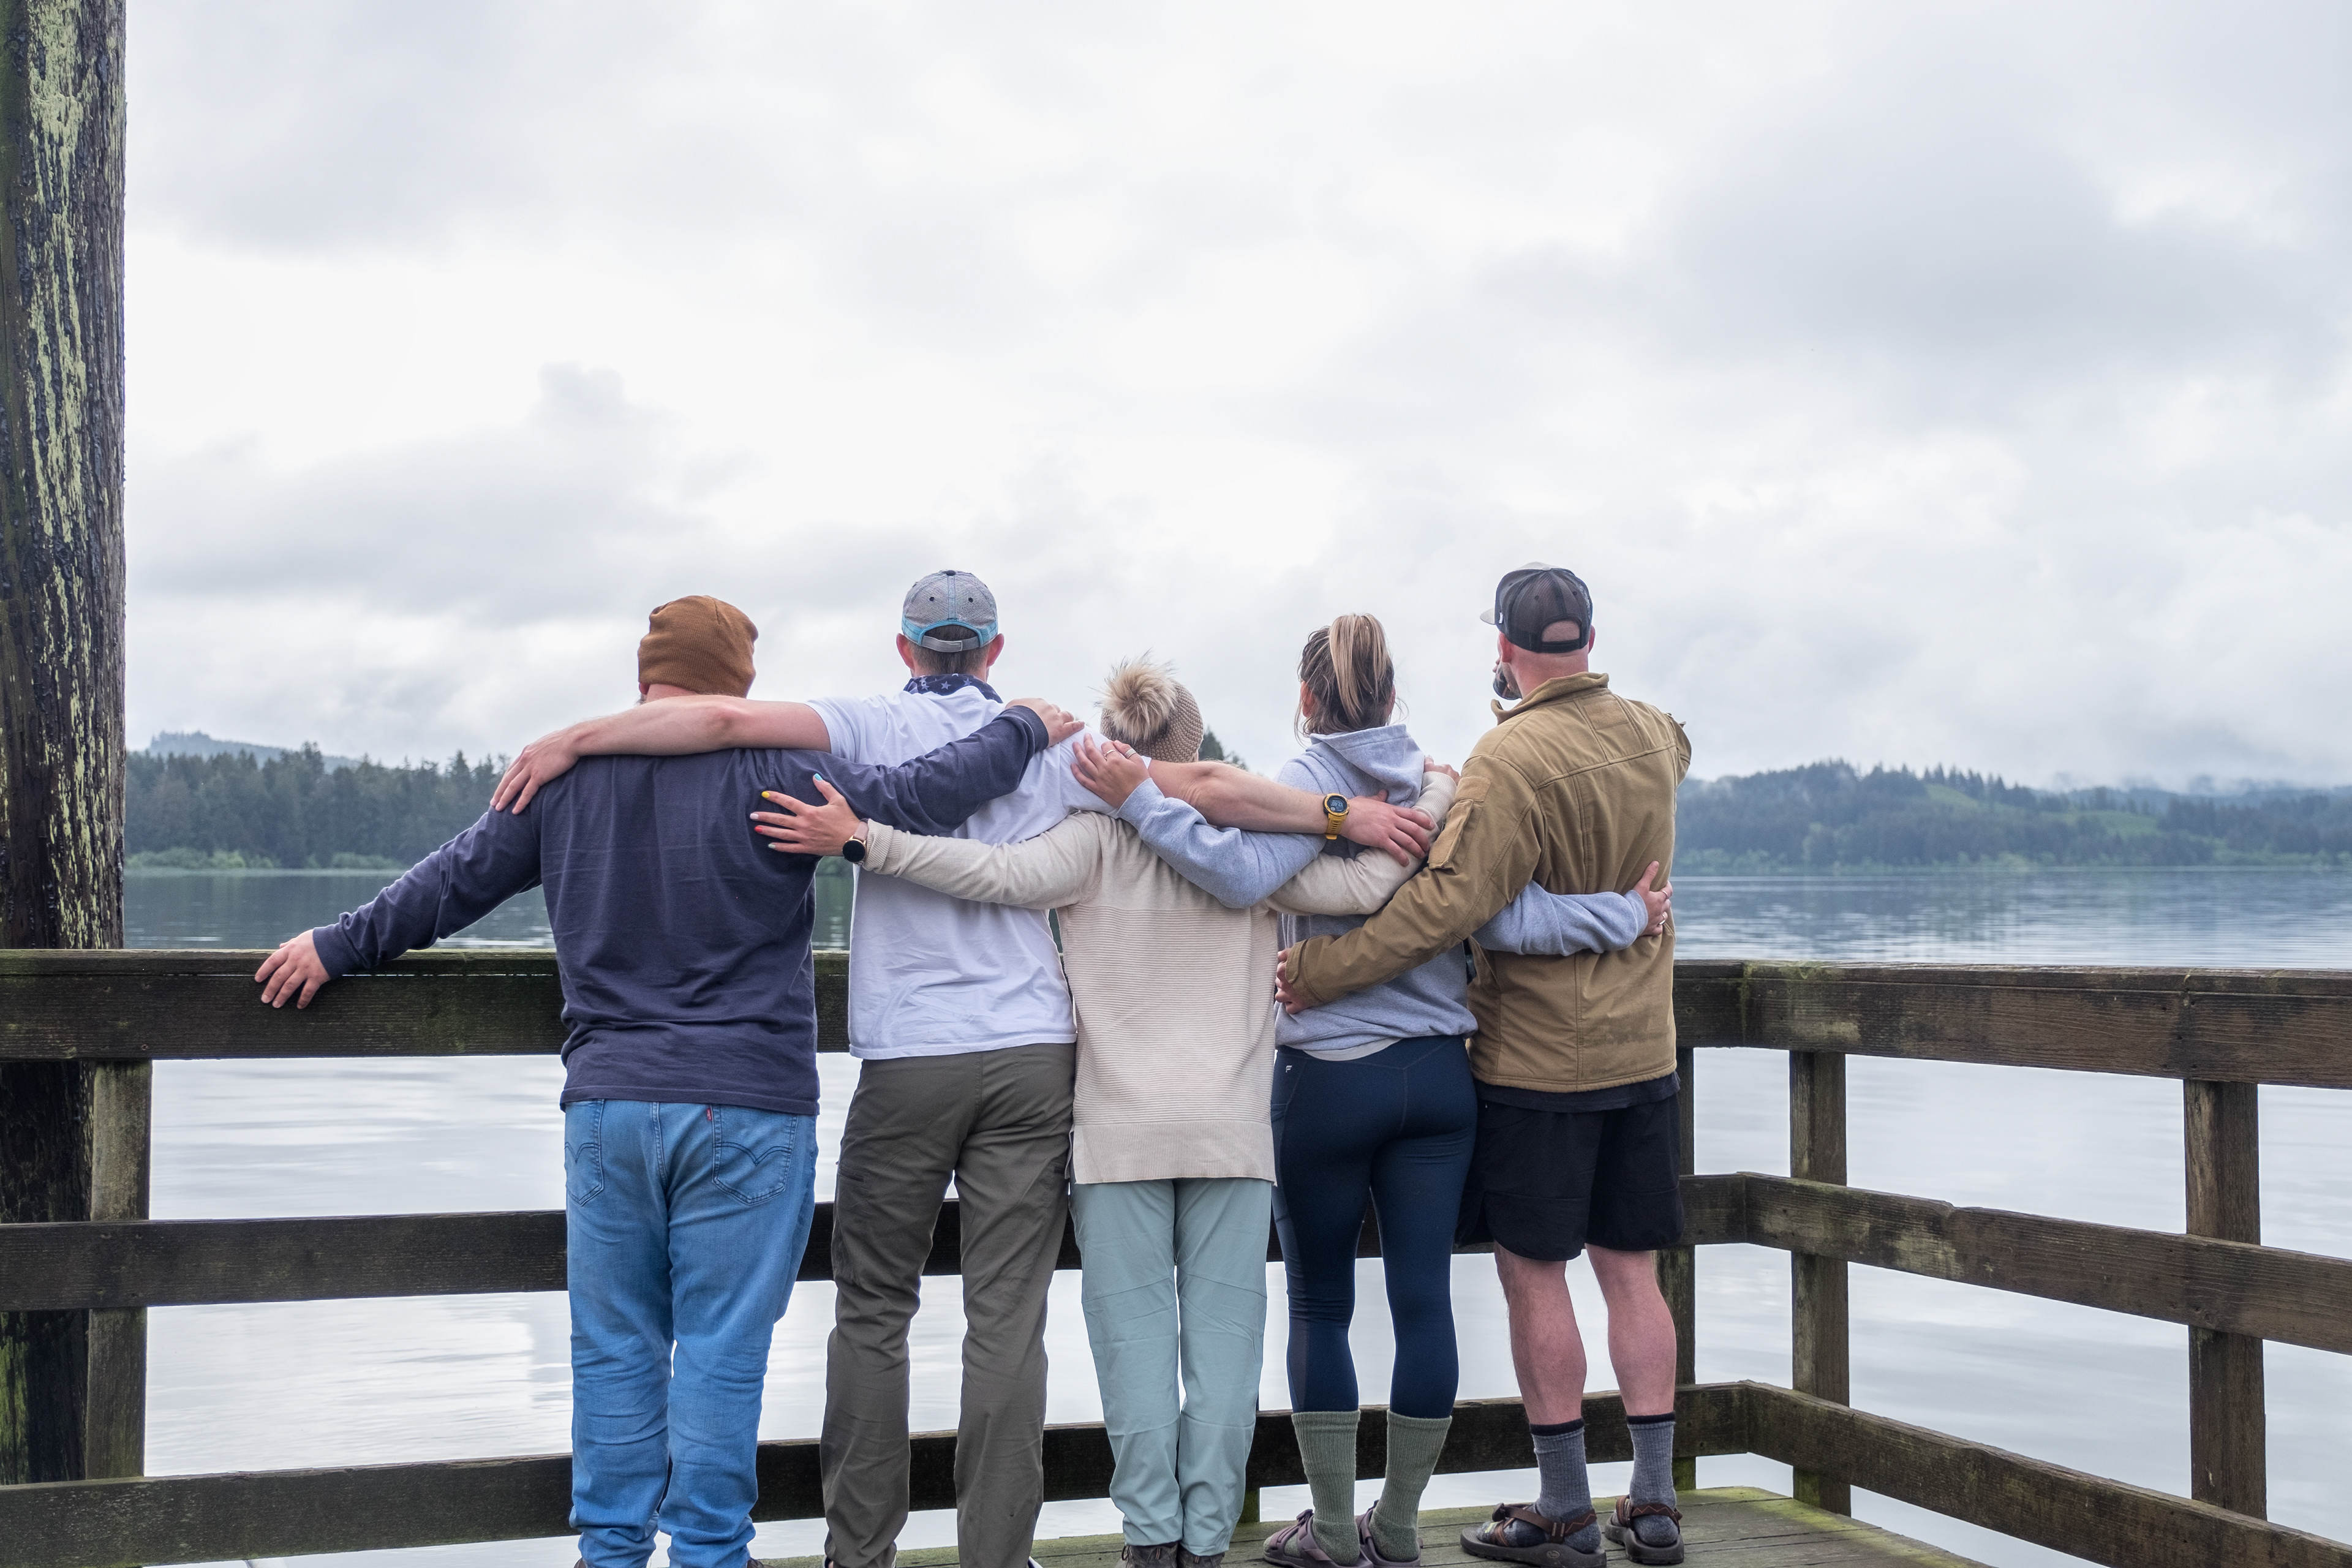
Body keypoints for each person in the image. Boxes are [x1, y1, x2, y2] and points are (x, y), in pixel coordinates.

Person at [486, 572, 1437, 1568]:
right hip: (1030, 1058)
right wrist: (1344, 816)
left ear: (905, 649)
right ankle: (999, 1555)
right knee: (1006, 1323)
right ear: (993, 651)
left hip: (906, 1057)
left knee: (872, 1314)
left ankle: (860, 1552)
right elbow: (1197, 785)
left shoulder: (857, 728)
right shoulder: (1061, 746)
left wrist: (574, 739)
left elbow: (719, 719)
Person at [756, 654, 1658, 1568]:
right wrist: (1431, 787)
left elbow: (982, 871)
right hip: (1233, 1131)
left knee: (1133, 1352)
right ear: (1190, 751)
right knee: (1225, 1356)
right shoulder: (1250, 858)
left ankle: (1150, 1541)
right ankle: (1208, 1541)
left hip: (1116, 1138)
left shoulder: (1088, 843)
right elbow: (1369, 887)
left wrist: (865, 841)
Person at [251, 596, 1078, 1568]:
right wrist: (1021, 726)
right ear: (742, 687)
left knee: (613, 1345)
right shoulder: (782, 771)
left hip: (609, 1101)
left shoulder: (564, 778)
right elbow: (923, 798)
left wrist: (337, 944)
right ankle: (709, 1554)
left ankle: (610, 1551)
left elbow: (453, 883)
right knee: (723, 1350)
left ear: (645, 677)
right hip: (750, 1104)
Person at [1274, 569, 1691, 1568]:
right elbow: (1679, 743)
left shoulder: (1508, 758)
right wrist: (1627, 909)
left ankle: (1566, 1509)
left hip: (1542, 1061)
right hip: (1644, 1047)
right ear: (1589, 639)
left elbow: (1454, 907)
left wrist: (1324, 972)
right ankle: (1655, 1502)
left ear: (1505, 649)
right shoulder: (1655, 735)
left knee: (1535, 1274)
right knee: (1632, 1270)